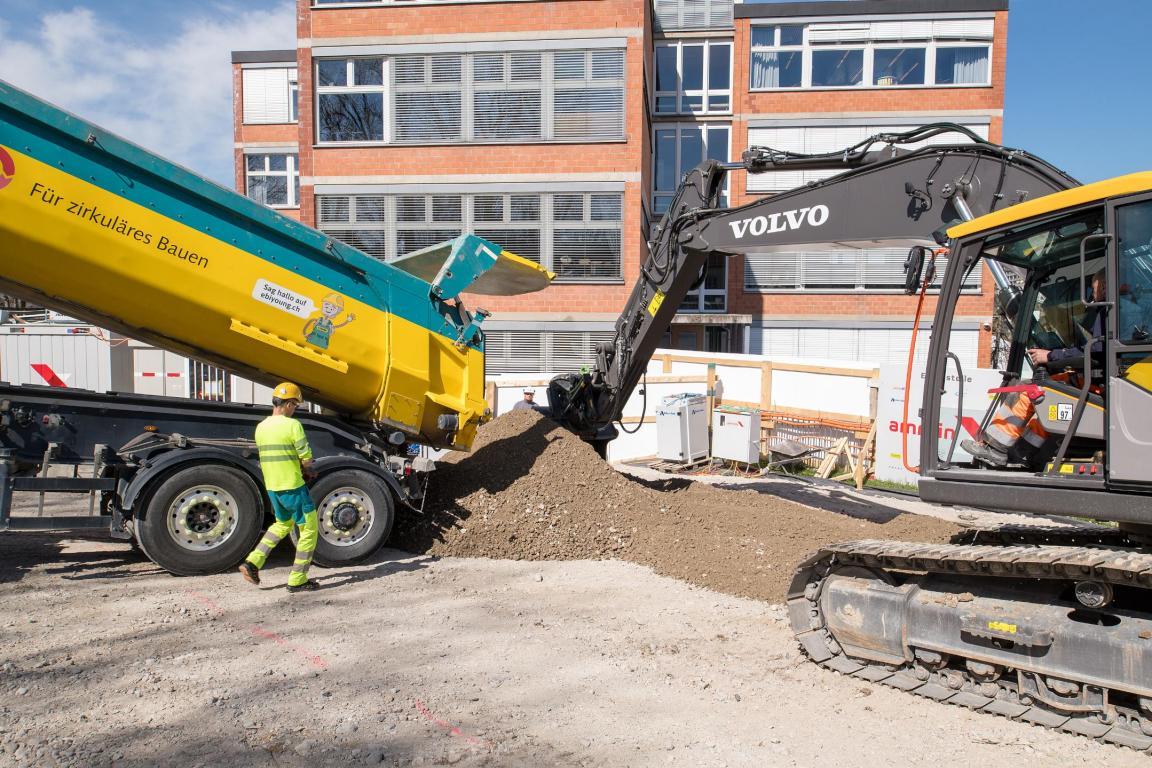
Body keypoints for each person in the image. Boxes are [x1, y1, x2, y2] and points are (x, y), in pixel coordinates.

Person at [962, 270, 1107, 468]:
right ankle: (1022, 453)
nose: (1092, 291)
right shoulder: (1119, 309)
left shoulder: (1108, 310)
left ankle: (995, 448)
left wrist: (1050, 356)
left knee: (1030, 390)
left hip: (1098, 384)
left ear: (1104, 286)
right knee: (1048, 404)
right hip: (1098, 380)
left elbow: (1096, 350)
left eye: (1094, 284)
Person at [239, 382, 320, 592]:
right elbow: (306, 459)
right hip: (293, 487)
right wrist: (307, 469)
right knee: (309, 529)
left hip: (273, 487)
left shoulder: (262, 427)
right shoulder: (292, 425)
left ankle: (253, 562)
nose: (295, 409)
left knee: (282, 525)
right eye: (295, 405)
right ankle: (298, 579)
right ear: (290, 404)